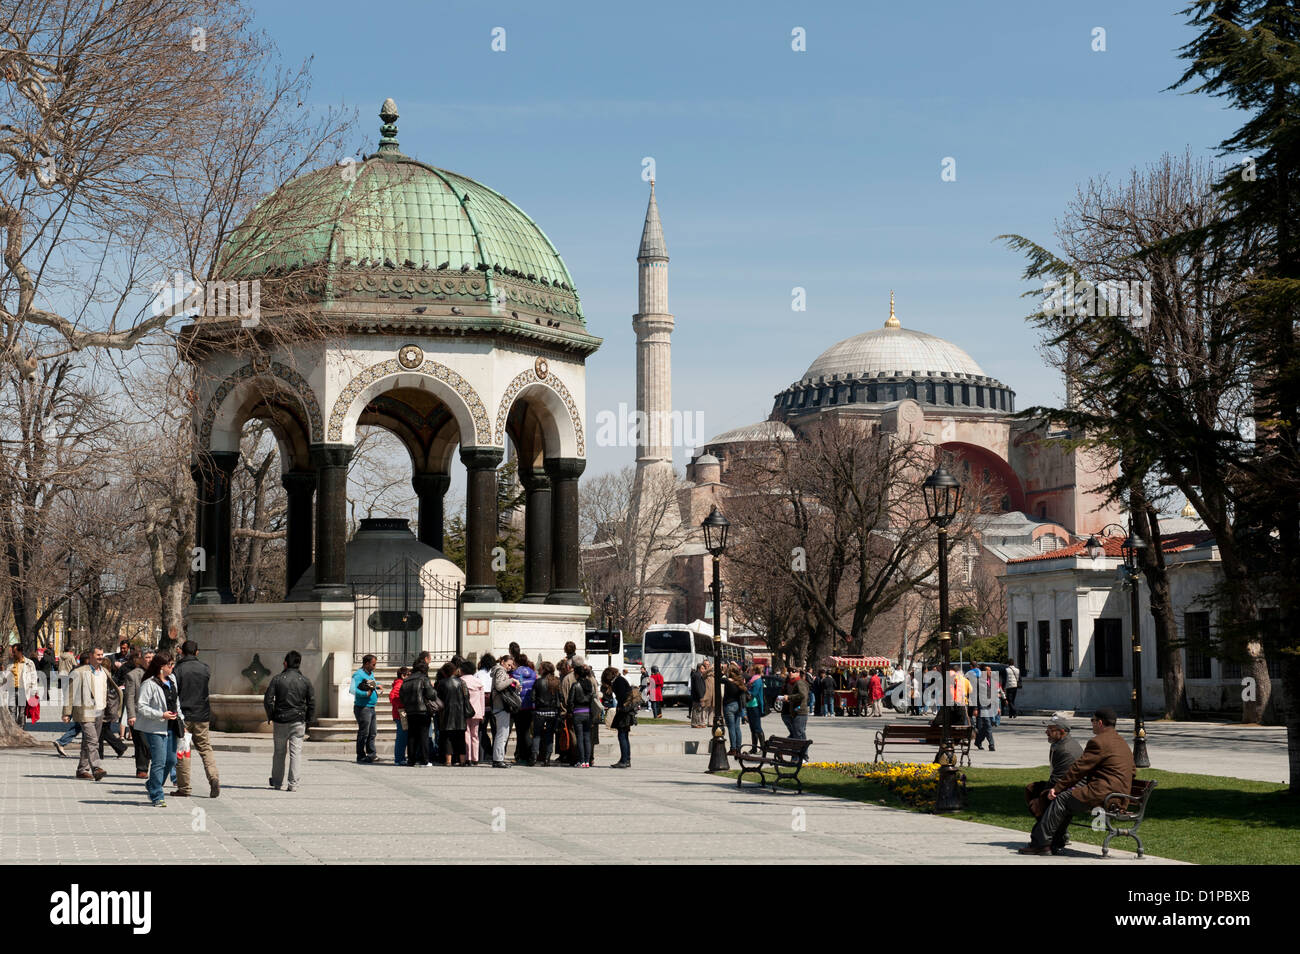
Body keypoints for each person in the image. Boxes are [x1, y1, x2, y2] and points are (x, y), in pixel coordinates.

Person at [1020, 707, 1136, 856]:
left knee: (1062, 799)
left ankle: (1041, 844)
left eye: (1093, 720)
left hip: (1103, 794)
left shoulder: (1098, 742)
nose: (1092, 723)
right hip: (1121, 796)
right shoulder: (1122, 742)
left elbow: (1079, 769)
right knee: (1068, 798)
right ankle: (1053, 840)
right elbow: (1132, 771)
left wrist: (1057, 788)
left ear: (1100, 723)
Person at [172, 640, 219, 798]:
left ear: (182, 652)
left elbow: (175, 693)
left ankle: (184, 787)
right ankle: (213, 778)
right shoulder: (205, 668)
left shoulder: (178, 669)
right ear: (197, 652)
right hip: (202, 715)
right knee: (205, 748)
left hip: (184, 716)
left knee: (184, 750)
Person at [135, 651, 183, 807]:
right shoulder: (149, 683)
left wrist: (181, 719)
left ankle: (152, 784)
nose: (172, 667)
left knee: (171, 760)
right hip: (155, 728)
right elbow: (141, 706)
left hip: (172, 726)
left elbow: (176, 703)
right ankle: (157, 794)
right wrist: (160, 715)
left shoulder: (172, 680)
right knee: (159, 761)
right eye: (170, 665)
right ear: (162, 667)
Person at [61, 647, 117, 780]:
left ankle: (82, 770)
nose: (100, 657)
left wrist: (111, 711)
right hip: (85, 711)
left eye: (102, 655)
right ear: (91, 656)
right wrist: (66, 713)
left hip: (100, 711)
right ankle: (96, 767)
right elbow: (70, 694)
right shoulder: (79, 672)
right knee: (92, 740)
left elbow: (108, 692)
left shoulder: (105, 672)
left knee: (89, 741)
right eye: (98, 655)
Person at [264, 650, 315, 791]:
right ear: (299, 663)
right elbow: (311, 702)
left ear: (285, 663)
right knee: (296, 753)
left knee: (279, 752)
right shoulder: (305, 681)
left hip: (280, 719)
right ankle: (293, 784)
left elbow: (268, 699)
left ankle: (277, 782)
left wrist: (271, 715)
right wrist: (309, 719)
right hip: (298, 720)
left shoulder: (277, 679)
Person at [1025, 712, 1084, 820]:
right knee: (1031, 789)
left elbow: (1058, 779)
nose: (1046, 732)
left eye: (1050, 730)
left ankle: (1048, 827)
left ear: (1061, 731)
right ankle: (1045, 821)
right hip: (1062, 784)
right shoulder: (1058, 743)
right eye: (1047, 729)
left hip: (1072, 789)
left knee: (1041, 799)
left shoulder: (1065, 749)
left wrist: (1040, 799)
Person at [122, 648, 153, 778]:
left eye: (152, 657)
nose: (150, 660)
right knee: (141, 742)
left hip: (154, 714)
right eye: (147, 657)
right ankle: (142, 769)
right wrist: (131, 715)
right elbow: (129, 696)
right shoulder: (133, 675)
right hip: (138, 714)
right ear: (141, 659)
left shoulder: (158, 674)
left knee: (150, 743)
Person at [436, 661, 471, 766]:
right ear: (454, 671)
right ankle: (462, 761)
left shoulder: (442, 683)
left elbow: (438, 699)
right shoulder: (462, 682)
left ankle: (448, 761)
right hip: (460, 714)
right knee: (460, 738)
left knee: (447, 738)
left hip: (446, 714)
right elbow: (467, 697)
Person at [488, 654, 519, 768]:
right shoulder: (500, 671)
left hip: (499, 706)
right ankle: (498, 760)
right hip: (501, 707)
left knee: (502, 734)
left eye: (511, 665)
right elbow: (499, 686)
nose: (510, 667)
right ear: (502, 662)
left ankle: (498, 759)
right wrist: (512, 680)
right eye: (508, 664)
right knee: (502, 734)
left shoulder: (499, 671)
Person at [602, 665, 636, 768]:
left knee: (622, 735)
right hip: (626, 711)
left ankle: (624, 760)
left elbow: (622, 697)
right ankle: (626, 759)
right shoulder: (620, 679)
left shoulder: (619, 681)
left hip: (624, 711)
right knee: (624, 735)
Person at [530, 661, 562, 765]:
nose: (538, 669)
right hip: (553, 712)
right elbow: (560, 698)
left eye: (540, 668)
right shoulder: (557, 681)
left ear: (544, 669)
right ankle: (547, 758)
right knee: (549, 735)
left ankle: (534, 757)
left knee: (537, 735)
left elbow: (533, 698)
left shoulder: (538, 682)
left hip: (539, 711)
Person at [351, 654, 380, 763]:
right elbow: (353, 690)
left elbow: (371, 684)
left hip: (371, 707)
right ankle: (361, 755)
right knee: (364, 732)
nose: (375, 666)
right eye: (373, 664)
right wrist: (365, 694)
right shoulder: (358, 675)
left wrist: (377, 685)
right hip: (363, 708)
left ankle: (372, 754)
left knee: (372, 732)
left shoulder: (370, 674)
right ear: (367, 663)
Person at [568, 662, 597, 767]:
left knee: (579, 737)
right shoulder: (589, 684)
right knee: (587, 737)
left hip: (578, 712)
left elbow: (570, 701)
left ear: (577, 674)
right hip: (588, 712)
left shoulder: (575, 685)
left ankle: (581, 760)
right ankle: (587, 761)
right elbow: (593, 699)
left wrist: (570, 712)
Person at [4, 644, 38, 727]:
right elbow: (5, 676)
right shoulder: (10, 662)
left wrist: (34, 691)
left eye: (14, 652)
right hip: (12, 690)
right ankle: (13, 730)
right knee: (12, 710)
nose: (13, 654)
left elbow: (34, 678)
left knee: (22, 712)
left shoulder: (29, 663)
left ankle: (21, 730)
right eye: (12, 652)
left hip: (23, 690)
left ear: (20, 652)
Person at [512, 653, 537, 765]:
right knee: (527, 731)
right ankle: (528, 755)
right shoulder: (533, 673)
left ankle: (523, 756)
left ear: (516, 662)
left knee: (520, 731)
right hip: (530, 706)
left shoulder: (514, 674)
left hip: (519, 706)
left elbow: (512, 689)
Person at [973, 666, 1002, 751]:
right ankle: (991, 745)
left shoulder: (992, 682)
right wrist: (975, 708)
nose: (990, 672)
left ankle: (978, 741)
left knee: (983, 727)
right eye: (988, 671)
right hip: (981, 706)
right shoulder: (978, 682)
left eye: (990, 671)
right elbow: (975, 696)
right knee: (988, 725)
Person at [721, 663, 745, 756]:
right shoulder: (739, 682)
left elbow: (718, 678)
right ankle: (738, 748)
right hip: (737, 705)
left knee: (731, 728)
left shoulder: (727, 681)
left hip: (729, 705)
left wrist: (722, 671)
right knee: (737, 728)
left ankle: (733, 748)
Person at [474, 653, 495, 760]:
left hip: (481, 704)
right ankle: (495, 755)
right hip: (494, 704)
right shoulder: (494, 673)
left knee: (481, 730)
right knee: (495, 731)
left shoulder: (478, 674)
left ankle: (481, 755)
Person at [389, 666, 410, 766]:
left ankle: (400, 757)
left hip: (400, 712)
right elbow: (393, 696)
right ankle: (399, 758)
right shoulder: (400, 683)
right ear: (403, 675)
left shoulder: (399, 683)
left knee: (403, 736)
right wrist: (402, 704)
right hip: (401, 713)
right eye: (408, 675)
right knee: (402, 736)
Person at [781, 670, 810, 740]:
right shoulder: (793, 683)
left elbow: (802, 695)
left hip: (800, 711)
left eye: (793, 671)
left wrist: (789, 697)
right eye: (790, 671)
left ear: (798, 673)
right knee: (797, 733)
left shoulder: (800, 682)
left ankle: (802, 750)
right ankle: (800, 750)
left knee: (798, 733)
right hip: (795, 711)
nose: (791, 672)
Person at [744, 663, 765, 752]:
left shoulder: (757, 680)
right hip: (750, 705)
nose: (749, 672)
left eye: (750, 670)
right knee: (752, 728)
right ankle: (754, 748)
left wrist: (745, 690)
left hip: (755, 706)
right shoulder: (752, 680)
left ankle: (763, 748)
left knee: (757, 727)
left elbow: (754, 693)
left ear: (754, 671)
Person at [689, 662, 706, 727]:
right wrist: (701, 696)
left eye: (704, 668)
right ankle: (694, 723)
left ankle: (699, 722)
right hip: (697, 696)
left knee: (699, 710)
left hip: (699, 695)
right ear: (699, 669)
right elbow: (698, 687)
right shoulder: (697, 675)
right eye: (702, 668)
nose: (704, 670)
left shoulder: (699, 675)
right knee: (696, 710)